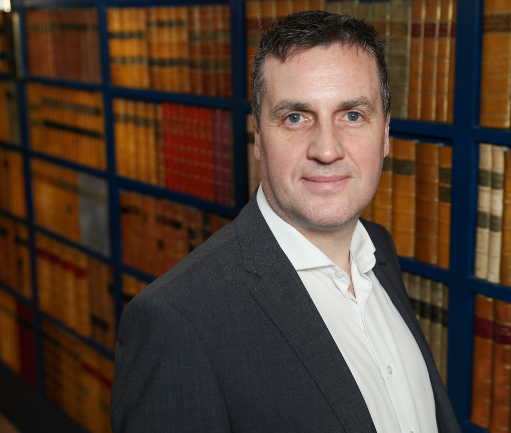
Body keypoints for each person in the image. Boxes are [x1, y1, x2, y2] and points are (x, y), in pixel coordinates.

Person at [110, 10, 460, 433]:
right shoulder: (177, 321)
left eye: (352, 115)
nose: (327, 150)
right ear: (259, 136)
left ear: (385, 134)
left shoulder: (377, 250)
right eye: (296, 117)